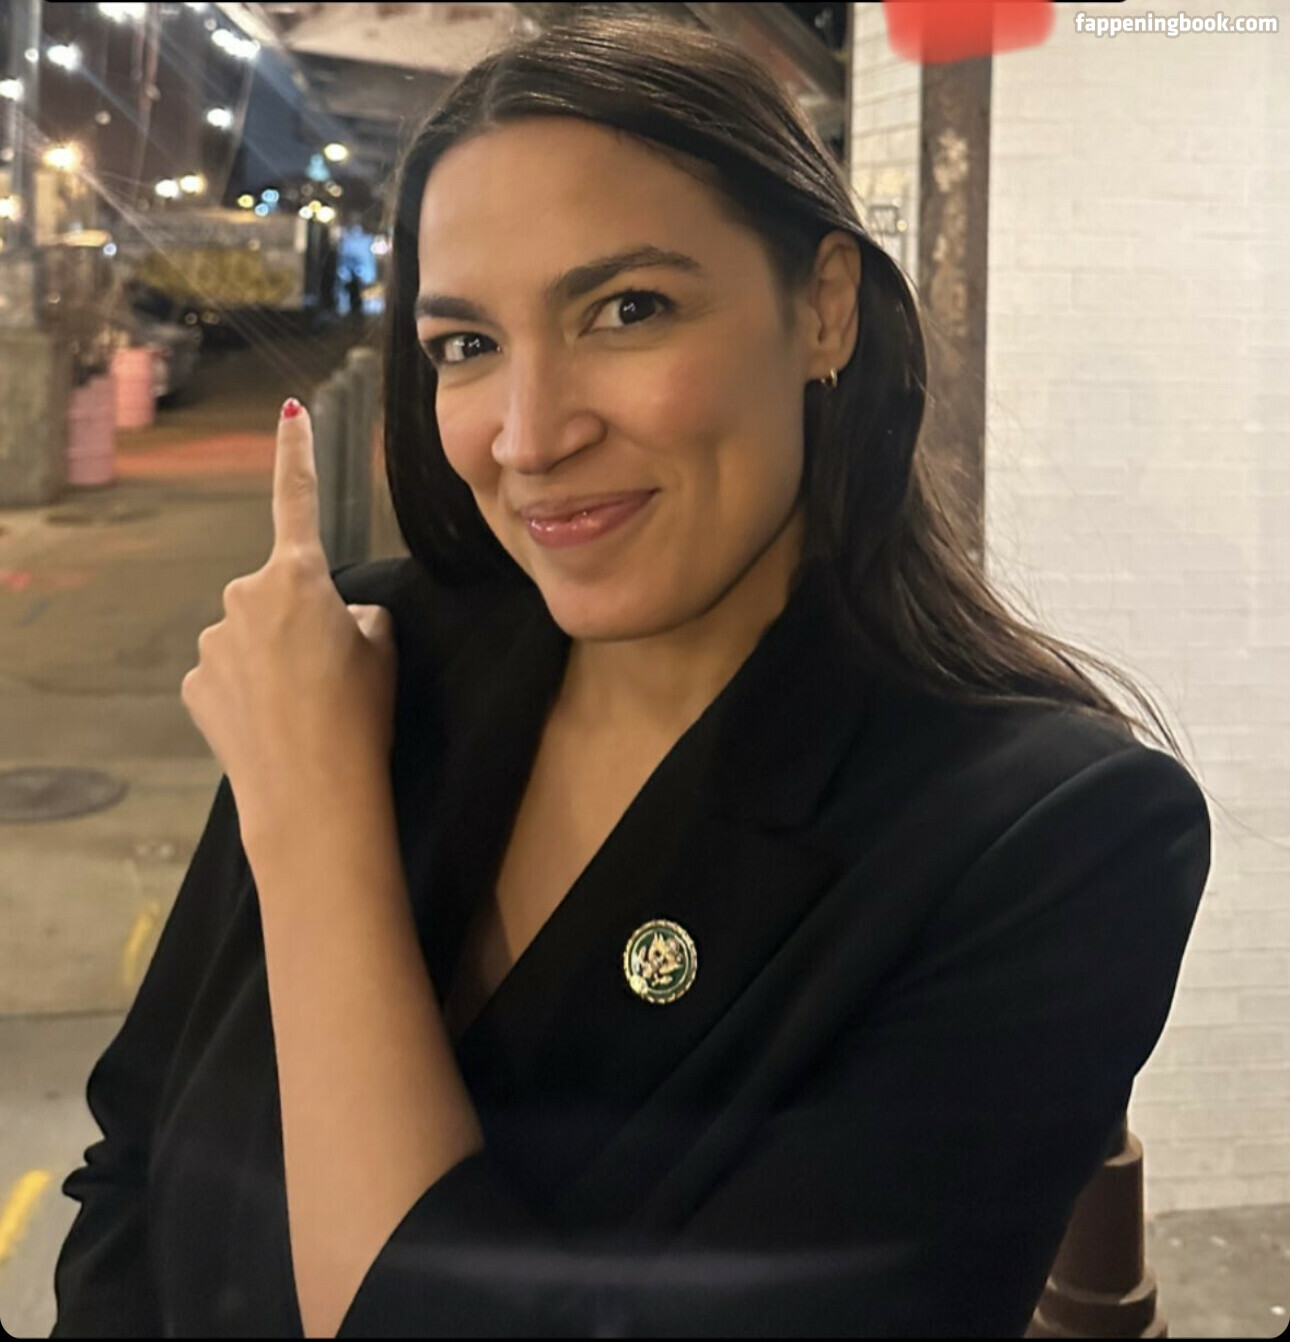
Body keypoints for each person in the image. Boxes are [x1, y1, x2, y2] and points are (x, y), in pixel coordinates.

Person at [50, 13, 1211, 1338]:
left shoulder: (1050, 841)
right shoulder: (363, 657)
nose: (530, 436)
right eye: (466, 345)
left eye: (627, 310)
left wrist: (318, 836)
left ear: (823, 306)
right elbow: (135, 1158)